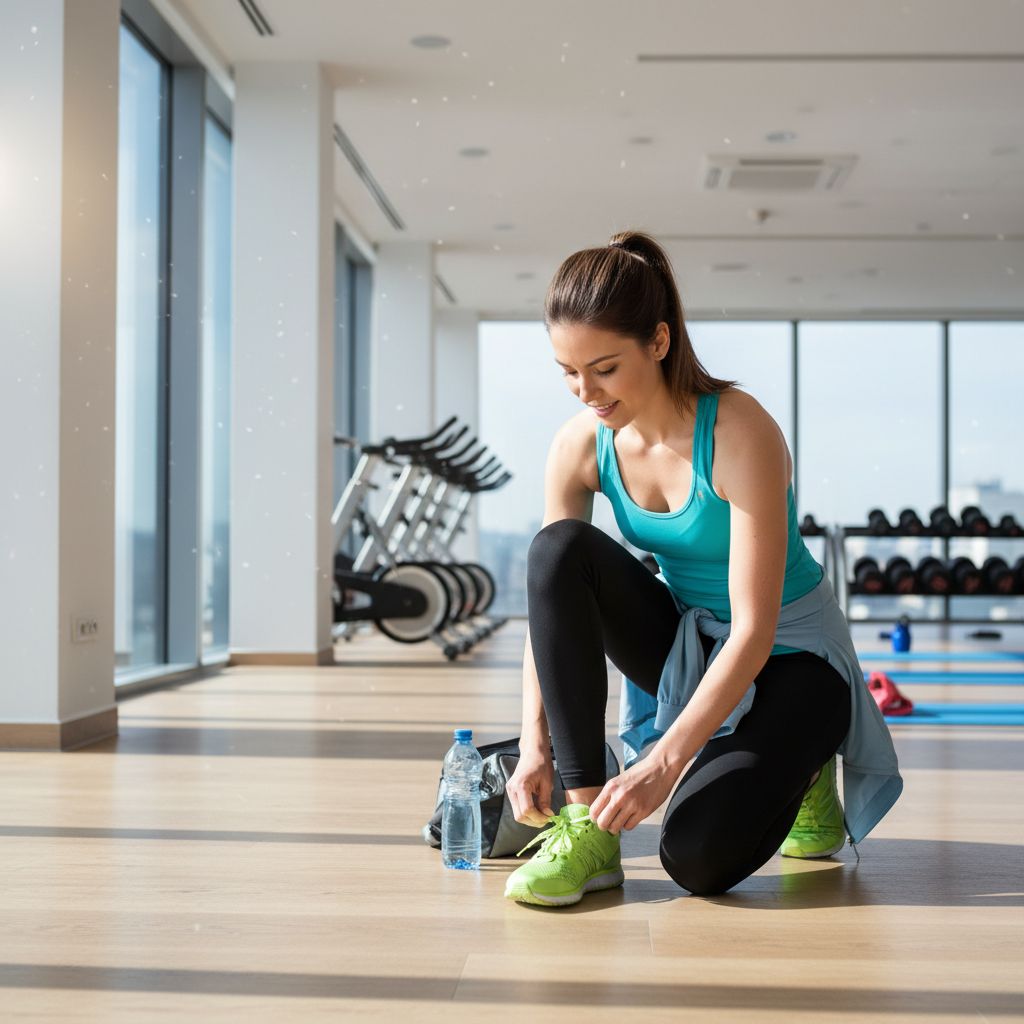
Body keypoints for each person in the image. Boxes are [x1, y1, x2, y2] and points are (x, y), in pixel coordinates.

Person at [504, 231, 902, 907]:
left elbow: (754, 629)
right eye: (568, 371)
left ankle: (808, 769)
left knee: (695, 858)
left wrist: (664, 764)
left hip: (793, 657)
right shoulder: (580, 445)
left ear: (659, 342)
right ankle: (587, 831)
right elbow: (551, 597)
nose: (586, 392)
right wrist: (533, 743)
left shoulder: (739, 431)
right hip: (692, 642)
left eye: (604, 368)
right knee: (557, 549)